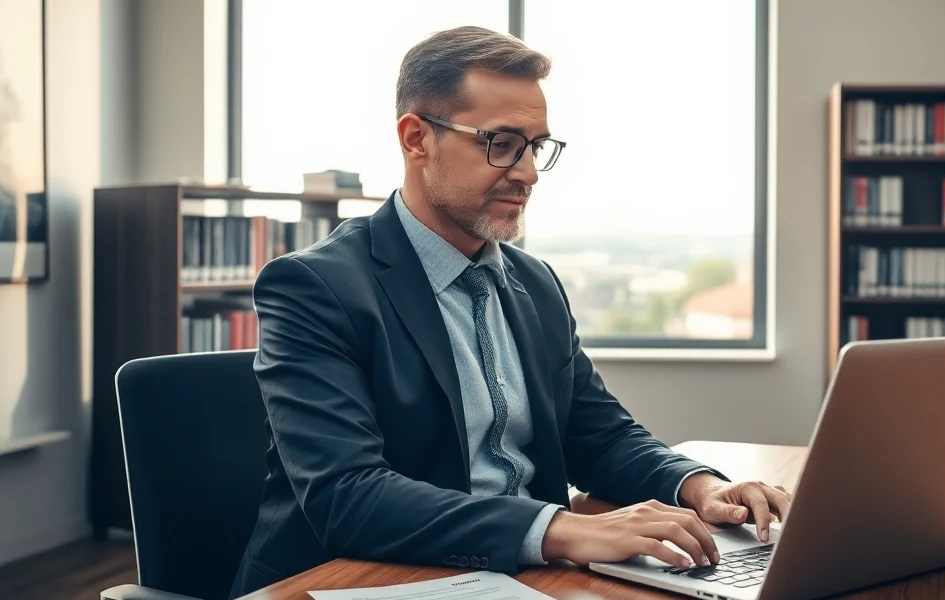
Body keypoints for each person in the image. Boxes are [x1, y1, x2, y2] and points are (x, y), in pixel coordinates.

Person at [229, 26, 791, 598]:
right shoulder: (313, 286)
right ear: (416, 138)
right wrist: (563, 529)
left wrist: (695, 485)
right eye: (501, 142)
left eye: (536, 146)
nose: (526, 172)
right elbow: (348, 497)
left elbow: (597, 435)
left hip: (521, 576)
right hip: (359, 579)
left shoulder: (535, 282)